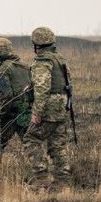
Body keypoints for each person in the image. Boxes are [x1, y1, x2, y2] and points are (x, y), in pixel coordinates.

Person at [24, 27, 72, 186]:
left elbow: (42, 88)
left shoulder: (43, 60)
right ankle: (62, 180)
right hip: (61, 106)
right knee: (57, 143)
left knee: (31, 139)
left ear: (37, 44)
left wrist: (37, 112)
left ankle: (42, 177)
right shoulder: (60, 59)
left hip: (48, 108)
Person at [0, 37, 32, 169]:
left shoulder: (2, 70)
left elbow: (6, 96)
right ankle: (39, 172)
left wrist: (2, 114)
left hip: (10, 114)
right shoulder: (25, 66)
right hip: (26, 111)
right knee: (30, 143)